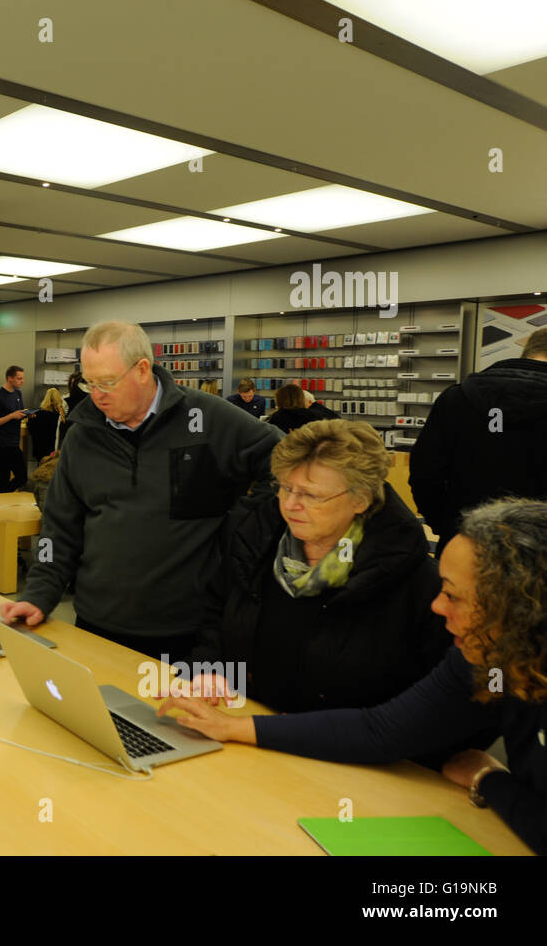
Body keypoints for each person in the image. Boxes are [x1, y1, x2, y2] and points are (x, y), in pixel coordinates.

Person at [158, 498, 547, 856]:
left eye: (453, 595)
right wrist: (232, 728)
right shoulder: (484, 654)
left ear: (519, 608)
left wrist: (490, 782)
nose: (436, 605)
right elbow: (380, 731)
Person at [0, 320, 282, 664]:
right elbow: (58, 530)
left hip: (189, 636)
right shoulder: (81, 435)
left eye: (107, 382)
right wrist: (38, 595)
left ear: (143, 370)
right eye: (90, 383)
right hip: (96, 625)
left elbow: (286, 463)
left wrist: (245, 523)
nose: (97, 394)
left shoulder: (208, 417)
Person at [190, 420, 451, 717]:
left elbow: (441, 698)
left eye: (310, 495)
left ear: (361, 499)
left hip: (347, 753)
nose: (290, 504)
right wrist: (208, 670)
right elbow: (214, 613)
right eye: (285, 487)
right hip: (243, 726)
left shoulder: (415, 583)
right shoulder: (255, 543)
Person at [410, 328, 547, 556]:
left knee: (458, 592)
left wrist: (447, 526)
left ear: (526, 352)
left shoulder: (456, 398)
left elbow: (425, 475)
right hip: (538, 555)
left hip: (463, 543)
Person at [0, 365, 28, 492]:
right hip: (2, 444)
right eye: (19, 378)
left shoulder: (18, 393)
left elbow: (17, 414)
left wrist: (25, 414)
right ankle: (2, 496)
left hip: (13, 441)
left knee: (4, 477)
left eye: (22, 378)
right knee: (21, 477)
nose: (22, 381)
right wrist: (11, 416)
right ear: (10, 378)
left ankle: (2, 498)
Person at [29, 387, 64, 461]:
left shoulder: (35, 413)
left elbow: (30, 429)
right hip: (53, 450)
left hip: (39, 449)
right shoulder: (60, 416)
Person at [58, 371, 86, 447]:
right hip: (67, 434)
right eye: (71, 383)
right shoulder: (66, 399)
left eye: (74, 384)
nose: (72, 386)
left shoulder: (86, 401)